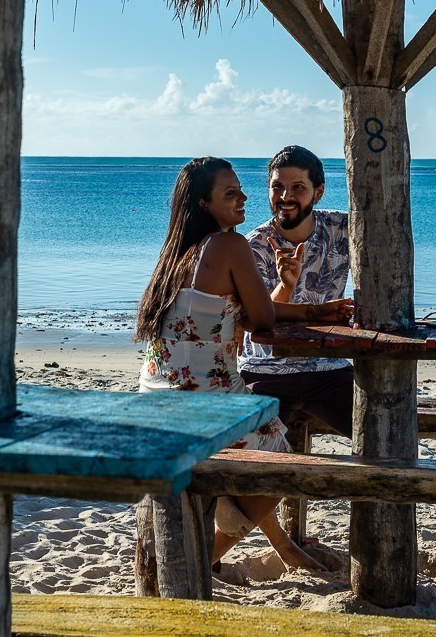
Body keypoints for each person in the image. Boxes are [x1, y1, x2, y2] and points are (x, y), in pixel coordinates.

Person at [135, 156, 352, 570]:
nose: (244, 197)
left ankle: (229, 529)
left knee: (263, 453)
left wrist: (315, 311)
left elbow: (247, 315)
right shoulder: (231, 244)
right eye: (230, 193)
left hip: (156, 398)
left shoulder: (177, 254)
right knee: (283, 468)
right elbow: (261, 320)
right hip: (205, 403)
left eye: (241, 189)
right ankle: (204, 554)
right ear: (204, 203)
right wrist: (303, 303)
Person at [239, 145, 355, 439]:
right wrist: (286, 284)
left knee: (386, 434)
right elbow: (260, 320)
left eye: (297, 187)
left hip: (329, 368)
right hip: (265, 371)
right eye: (277, 187)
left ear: (318, 192)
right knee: (247, 450)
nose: (285, 197)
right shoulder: (254, 245)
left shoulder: (343, 228)